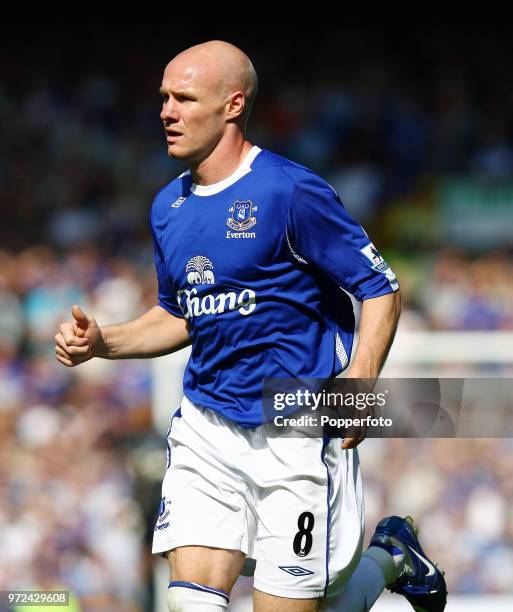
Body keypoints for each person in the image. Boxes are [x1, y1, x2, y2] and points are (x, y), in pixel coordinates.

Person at [55, 41, 446, 612]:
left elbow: (379, 287)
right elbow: (180, 314)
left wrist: (361, 379)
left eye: (184, 98)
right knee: (190, 603)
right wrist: (103, 342)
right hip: (207, 426)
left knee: (312, 603)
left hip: (296, 427)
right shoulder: (169, 206)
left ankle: (391, 556)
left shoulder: (289, 191)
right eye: (163, 97)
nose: (166, 111)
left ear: (232, 104)